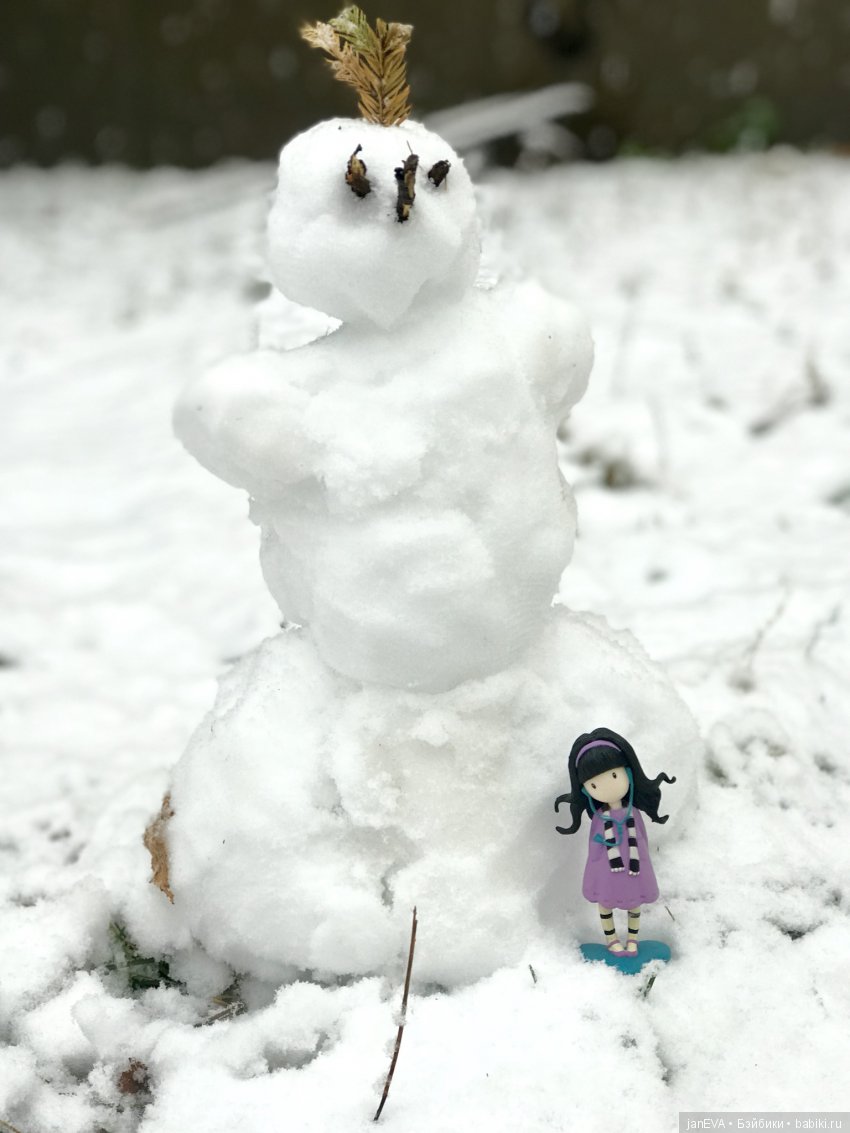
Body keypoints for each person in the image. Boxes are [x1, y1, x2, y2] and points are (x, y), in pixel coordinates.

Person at [555, 727, 676, 955]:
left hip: (634, 867)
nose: (607, 787)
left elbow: (641, 838)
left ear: (627, 773)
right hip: (606, 870)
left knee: (635, 901)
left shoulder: (633, 813)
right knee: (605, 902)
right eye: (594, 785)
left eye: (613, 776)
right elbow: (594, 847)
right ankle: (612, 940)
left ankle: (632, 939)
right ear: (585, 789)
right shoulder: (600, 818)